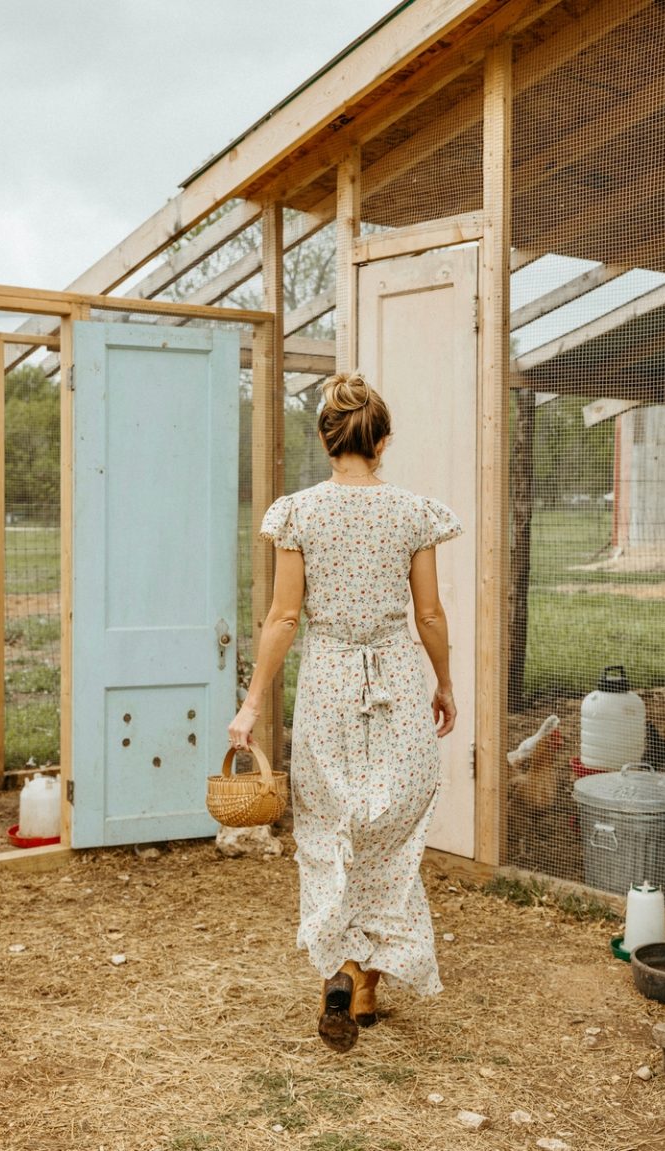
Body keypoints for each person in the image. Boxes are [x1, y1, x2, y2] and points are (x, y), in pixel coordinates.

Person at [228, 371, 461, 1053]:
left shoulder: (299, 512)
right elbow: (429, 613)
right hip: (395, 677)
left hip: (329, 681)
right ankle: (365, 984)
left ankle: (340, 970)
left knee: (330, 829)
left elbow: (284, 616)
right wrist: (443, 681)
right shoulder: (413, 511)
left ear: (326, 439)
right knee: (390, 830)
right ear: (382, 440)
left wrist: (249, 702)